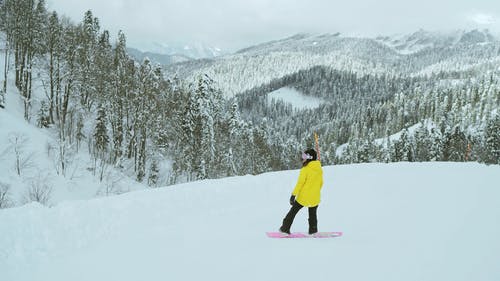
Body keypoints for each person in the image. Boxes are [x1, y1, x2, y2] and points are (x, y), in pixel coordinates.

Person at [279, 148, 324, 235]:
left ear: (309, 158)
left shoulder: (305, 169)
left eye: (304, 156)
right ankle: (313, 231)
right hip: (315, 197)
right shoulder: (319, 169)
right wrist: (314, 191)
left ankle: (285, 228)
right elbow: (321, 183)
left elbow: (300, 184)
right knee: (313, 215)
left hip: (304, 197)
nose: (302, 158)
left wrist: (293, 195)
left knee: (293, 212)